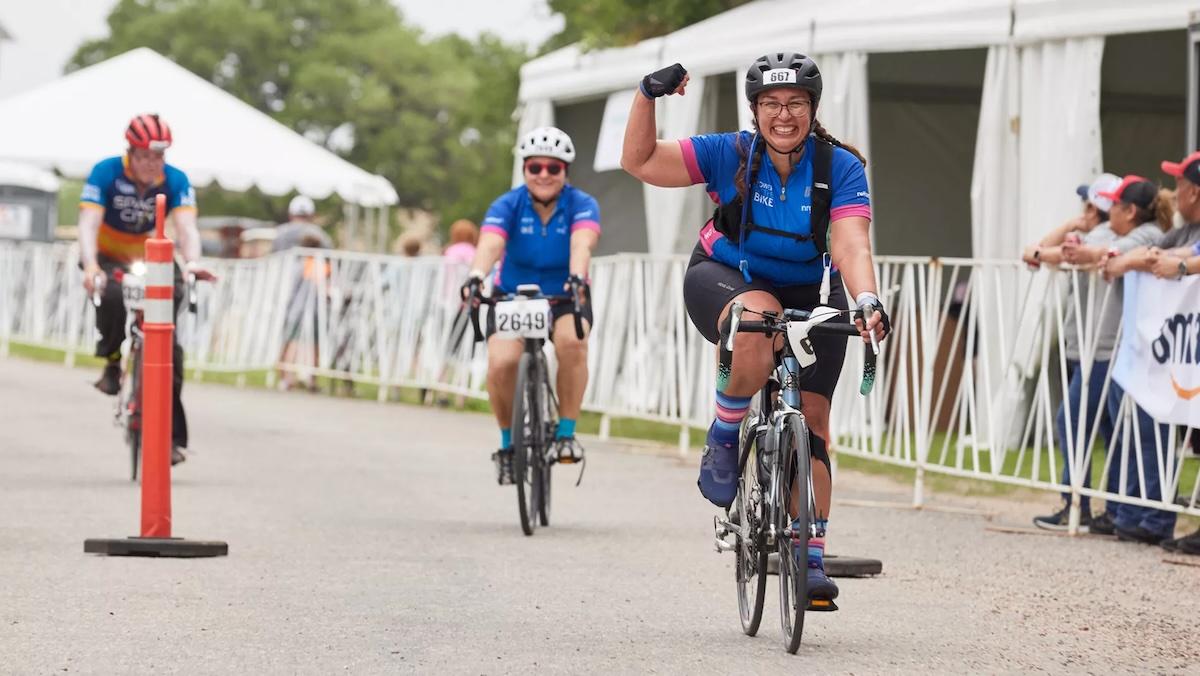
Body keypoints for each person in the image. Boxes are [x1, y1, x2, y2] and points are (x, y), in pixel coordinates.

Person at [620, 54, 889, 608]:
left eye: (795, 104)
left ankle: (809, 555)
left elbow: (851, 241)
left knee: (813, 418)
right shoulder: (733, 153)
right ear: (755, 110)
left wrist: (865, 298)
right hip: (726, 276)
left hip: (812, 291)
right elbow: (640, 161)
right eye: (771, 104)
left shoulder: (838, 166)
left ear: (812, 109)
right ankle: (724, 433)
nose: (783, 115)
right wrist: (647, 95)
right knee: (757, 317)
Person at [461, 126, 601, 482]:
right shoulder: (507, 204)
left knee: (573, 343)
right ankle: (508, 445)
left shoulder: (582, 204)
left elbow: (582, 243)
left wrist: (576, 275)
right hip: (512, 298)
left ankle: (566, 434)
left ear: (565, 172)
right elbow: (491, 243)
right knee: (501, 363)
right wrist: (477, 274)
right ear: (524, 170)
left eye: (552, 168)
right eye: (534, 167)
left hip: (563, 296)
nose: (543, 175)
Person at [79, 113, 215, 466]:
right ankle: (111, 361)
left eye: (159, 157)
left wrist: (192, 263)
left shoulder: (176, 180)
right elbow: (89, 223)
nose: (151, 164)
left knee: (171, 345)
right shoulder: (105, 172)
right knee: (108, 296)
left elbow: (187, 228)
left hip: (153, 255)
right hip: (109, 256)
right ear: (130, 152)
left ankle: (171, 437)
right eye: (144, 157)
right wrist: (92, 266)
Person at [1026, 175, 1147, 533]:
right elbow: (1038, 251)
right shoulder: (1103, 235)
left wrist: (1072, 237)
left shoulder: (1109, 237)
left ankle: (1080, 502)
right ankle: (1105, 507)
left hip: (1102, 345)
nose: (1084, 212)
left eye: (1089, 206)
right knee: (1102, 426)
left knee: (1074, 420)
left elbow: (1036, 253)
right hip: (1088, 343)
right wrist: (1071, 227)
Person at [1087, 176, 1178, 546]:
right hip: (1138, 345)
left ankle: (1151, 514)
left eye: (1117, 207)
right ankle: (1128, 509)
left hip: (1161, 348)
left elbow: (1139, 256)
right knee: (1126, 424)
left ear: (1132, 210)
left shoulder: (1154, 232)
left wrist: (1123, 262)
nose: (1109, 215)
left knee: (1150, 429)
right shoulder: (1173, 235)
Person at [1021, 173, 1120, 269]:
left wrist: (1037, 254)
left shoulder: (1103, 232)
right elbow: (1044, 246)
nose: (1083, 212)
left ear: (1091, 210)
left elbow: (1071, 254)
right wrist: (1072, 224)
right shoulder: (1103, 232)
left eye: (1084, 202)